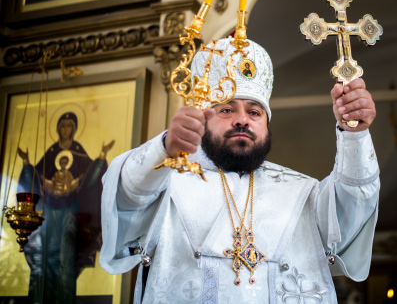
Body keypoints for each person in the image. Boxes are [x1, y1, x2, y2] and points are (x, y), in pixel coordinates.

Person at [100, 37, 380, 303]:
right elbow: (127, 194)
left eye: (255, 112)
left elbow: (353, 205)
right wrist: (163, 148)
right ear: (204, 118)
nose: (242, 120)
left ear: (267, 125)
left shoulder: (302, 192)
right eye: (226, 110)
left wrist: (354, 134)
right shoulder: (167, 181)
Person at [17, 112, 115, 303]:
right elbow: (36, 180)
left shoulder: (78, 151)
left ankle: (64, 298)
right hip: (48, 213)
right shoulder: (52, 152)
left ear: (74, 129)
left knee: (66, 252)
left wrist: (101, 158)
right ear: (58, 129)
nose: (65, 129)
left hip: (70, 211)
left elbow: (89, 180)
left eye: (69, 125)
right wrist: (27, 163)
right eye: (62, 126)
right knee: (43, 253)